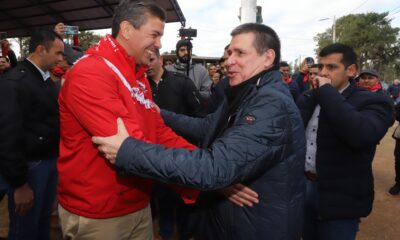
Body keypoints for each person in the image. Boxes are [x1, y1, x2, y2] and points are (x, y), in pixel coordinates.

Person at [93, 23, 306, 240]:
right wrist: (161, 114)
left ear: (268, 58)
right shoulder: (245, 92)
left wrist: (128, 151)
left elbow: (213, 168)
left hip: (257, 227)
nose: (229, 60)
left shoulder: (270, 104)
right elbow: (206, 127)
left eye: (240, 53)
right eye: (230, 52)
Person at [56, 1, 207, 239]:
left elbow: (159, 132)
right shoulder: (91, 72)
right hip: (99, 213)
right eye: (155, 35)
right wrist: (203, 175)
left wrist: (206, 166)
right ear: (126, 30)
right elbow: (129, 145)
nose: (159, 44)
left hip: (137, 203)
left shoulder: (138, 76)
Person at [296, 43, 394, 240]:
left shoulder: (373, 101)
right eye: (321, 67)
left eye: (331, 67)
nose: (323, 73)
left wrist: (326, 92)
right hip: (303, 188)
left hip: (341, 198)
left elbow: (362, 135)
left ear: (351, 70)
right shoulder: (309, 97)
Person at [0, 29, 64, 240]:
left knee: (42, 222)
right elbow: (8, 137)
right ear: (40, 50)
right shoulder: (14, 83)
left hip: (48, 162)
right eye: (57, 53)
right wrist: (20, 184)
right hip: (30, 168)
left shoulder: (44, 79)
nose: (60, 58)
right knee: (25, 228)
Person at [146, 49, 201, 239]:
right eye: (145, 60)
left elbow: (200, 116)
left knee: (185, 206)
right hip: (156, 157)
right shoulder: (139, 86)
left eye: (152, 59)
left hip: (182, 156)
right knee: (164, 203)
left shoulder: (182, 83)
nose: (148, 64)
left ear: (161, 60)